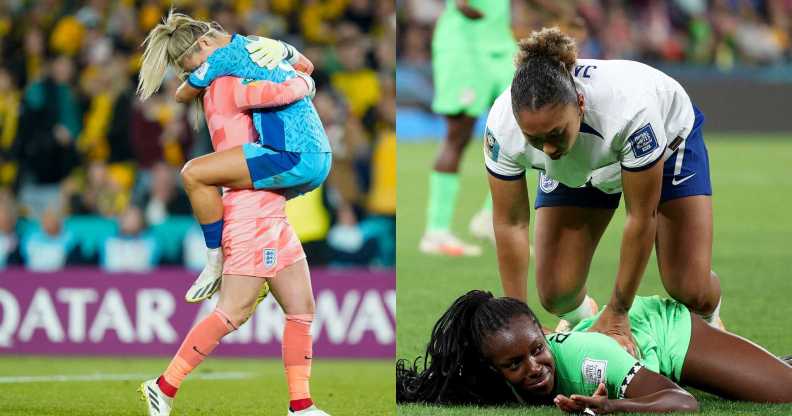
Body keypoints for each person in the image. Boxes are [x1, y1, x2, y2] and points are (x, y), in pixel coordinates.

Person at [136, 11, 330, 416]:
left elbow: (191, 87)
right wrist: (302, 77)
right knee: (232, 312)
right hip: (251, 214)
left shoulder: (213, 78)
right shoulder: (226, 79)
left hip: (269, 210)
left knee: (301, 310)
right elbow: (269, 93)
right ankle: (164, 385)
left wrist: (287, 52)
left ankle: (302, 406)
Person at [484, 27, 724, 349]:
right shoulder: (502, 127)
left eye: (555, 134)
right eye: (535, 140)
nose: (549, 150)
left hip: (666, 139)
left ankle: (712, 319)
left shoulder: (629, 110)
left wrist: (619, 314)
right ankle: (586, 315)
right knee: (557, 293)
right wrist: (519, 322)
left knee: (689, 287)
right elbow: (510, 223)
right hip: (586, 159)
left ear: (580, 103)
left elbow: (641, 217)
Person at [397, 290, 792, 412]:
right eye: (514, 363)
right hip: (634, 355)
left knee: (785, 390)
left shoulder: (590, 359)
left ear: (545, 332)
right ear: (492, 366)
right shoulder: (486, 379)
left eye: (537, 349)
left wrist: (616, 408)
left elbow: (682, 402)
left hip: (664, 336)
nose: (534, 367)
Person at [420, 0, 517, 256]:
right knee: (458, 136)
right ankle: (436, 231)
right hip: (464, 45)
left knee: (525, 133)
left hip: (501, 43)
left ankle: (489, 218)